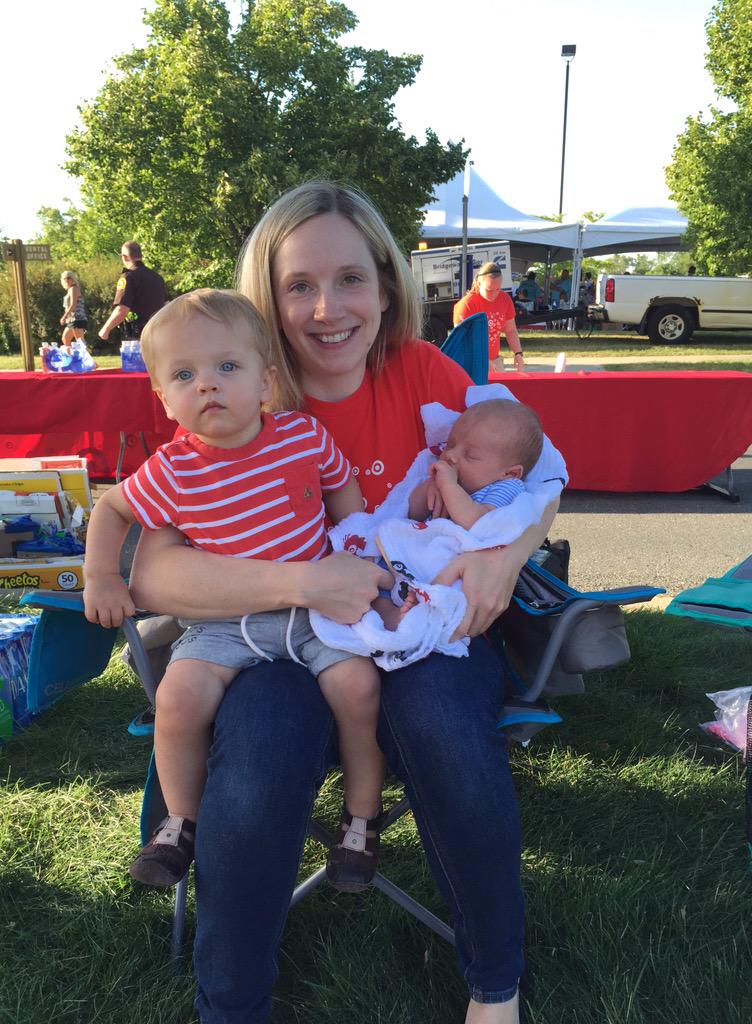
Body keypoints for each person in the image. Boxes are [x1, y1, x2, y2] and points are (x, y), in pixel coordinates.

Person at [128, 181, 559, 1024]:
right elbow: (154, 576)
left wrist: (507, 556)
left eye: (351, 279)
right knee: (260, 752)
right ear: (269, 296)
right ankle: (231, 1008)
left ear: (387, 286)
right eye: (299, 285)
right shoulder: (235, 386)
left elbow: (541, 474)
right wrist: (302, 582)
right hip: (282, 637)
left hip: (423, 627)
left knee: (441, 718)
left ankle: (494, 990)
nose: (328, 309)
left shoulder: (424, 373)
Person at [84, 288, 387, 893]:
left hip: (315, 612)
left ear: (266, 381)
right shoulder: (172, 470)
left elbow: (342, 489)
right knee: (177, 700)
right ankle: (180, 823)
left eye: (227, 366)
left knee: (359, 688)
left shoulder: (302, 436)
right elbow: (111, 510)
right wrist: (103, 576)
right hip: (226, 621)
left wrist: (357, 549)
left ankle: (361, 819)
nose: (207, 385)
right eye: (184, 375)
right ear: (163, 398)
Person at [408, 400, 543, 529]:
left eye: (471, 455)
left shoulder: (507, 487)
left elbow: (480, 524)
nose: (450, 455)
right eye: (450, 445)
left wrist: (448, 486)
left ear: (510, 473)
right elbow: (412, 514)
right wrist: (430, 486)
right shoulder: (445, 479)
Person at [453, 262, 524, 373]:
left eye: (498, 289)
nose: (494, 294)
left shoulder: (505, 299)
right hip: (470, 362)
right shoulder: (467, 304)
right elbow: (460, 340)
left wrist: (518, 353)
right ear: (479, 283)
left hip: (494, 360)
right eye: (489, 290)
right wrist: (482, 360)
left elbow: (510, 330)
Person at [98, 240, 167, 342]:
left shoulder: (128, 276)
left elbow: (122, 310)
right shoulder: (157, 278)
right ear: (141, 255)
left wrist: (105, 330)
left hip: (138, 336)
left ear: (125, 257)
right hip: (159, 334)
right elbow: (166, 304)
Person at [59, 270, 88, 345]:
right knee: (65, 338)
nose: (67, 280)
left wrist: (64, 317)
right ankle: (72, 352)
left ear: (73, 279)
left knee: (80, 342)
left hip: (77, 318)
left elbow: (73, 305)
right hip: (71, 319)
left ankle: (84, 353)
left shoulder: (74, 289)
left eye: (69, 278)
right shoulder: (70, 290)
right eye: (65, 278)